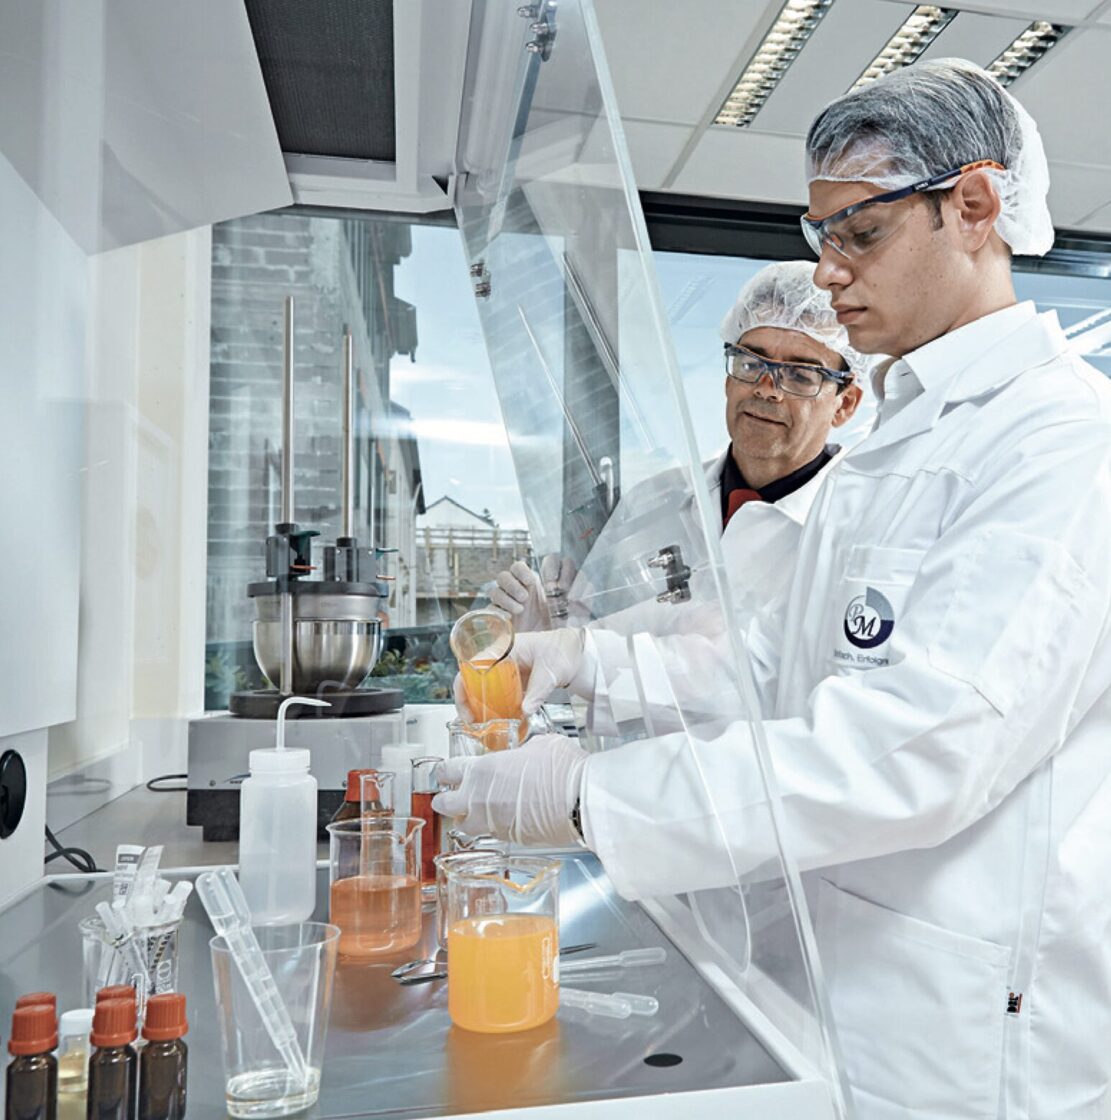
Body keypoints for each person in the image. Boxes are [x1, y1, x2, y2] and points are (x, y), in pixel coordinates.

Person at [435, 59, 1111, 1118]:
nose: (828, 272)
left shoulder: (1061, 443)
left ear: (975, 206)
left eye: (860, 233)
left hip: (963, 1031)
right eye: (819, 234)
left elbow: (924, 743)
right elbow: (769, 665)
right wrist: (583, 657)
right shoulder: (898, 442)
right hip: (828, 982)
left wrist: (587, 798)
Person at [488, 260, 864, 635]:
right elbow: (588, 636)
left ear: (844, 405)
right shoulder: (651, 501)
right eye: (750, 364)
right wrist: (546, 629)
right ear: (728, 381)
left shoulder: (860, 529)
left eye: (800, 375)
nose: (767, 389)